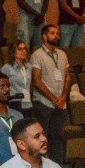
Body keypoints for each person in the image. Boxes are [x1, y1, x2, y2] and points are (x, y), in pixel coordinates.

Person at [30, 24, 73, 155]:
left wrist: (64, 96)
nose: (56, 36)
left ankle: (59, 167)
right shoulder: (37, 55)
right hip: (44, 103)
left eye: (58, 33)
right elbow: (37, 81)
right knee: (43, 138)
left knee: (58, 137)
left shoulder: (62, 54)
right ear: (44, 36)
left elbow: (68, 77)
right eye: (52, 33)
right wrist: (54, 99)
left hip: (60, 103)